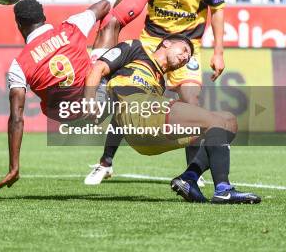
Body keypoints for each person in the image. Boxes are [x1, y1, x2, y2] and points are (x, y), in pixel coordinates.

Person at [0, 0, 186, 193]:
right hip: (95, 98)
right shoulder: (70, 28)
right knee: (113, 22)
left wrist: (14, 166)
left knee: (110, 61)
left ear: (19, 26)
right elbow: (104, 6)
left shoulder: (18, 65)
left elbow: (17, 118)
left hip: (68, 118)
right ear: (44, 17)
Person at [86, 0, 226, 187]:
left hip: (188, 48)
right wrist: (112, 28)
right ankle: (106, 163)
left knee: (191, 105)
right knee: (129, 100)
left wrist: (219, 51)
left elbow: (218, 9)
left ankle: (190, 175)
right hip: (151, 44)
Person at [82, 35, 261, 204]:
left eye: (188, 57)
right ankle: (223, 190)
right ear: (166, 43)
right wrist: (90, 98)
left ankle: (189, 179)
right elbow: (98, 67)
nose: (185, 57)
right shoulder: (136, 49)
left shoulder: (159, 82)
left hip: (148, 135)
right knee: (216, 121)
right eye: (183, 50)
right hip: (141, 114)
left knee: (228, 122)